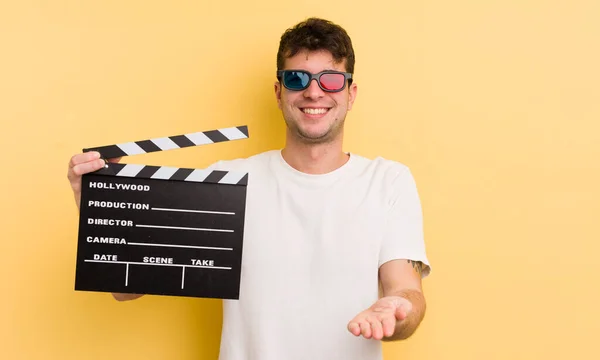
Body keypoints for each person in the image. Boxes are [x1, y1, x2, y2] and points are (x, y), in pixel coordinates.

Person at [67, 17, 431, 360]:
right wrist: (99, 210)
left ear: (351, 94)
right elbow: (125, 288)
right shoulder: (228, 184)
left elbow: (406, 290)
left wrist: (397, 308)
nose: (313, 92)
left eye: (331, 79)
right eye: (297, 79)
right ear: (278, 91)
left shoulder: (388, 181)